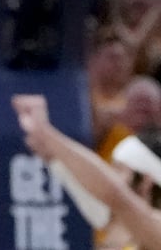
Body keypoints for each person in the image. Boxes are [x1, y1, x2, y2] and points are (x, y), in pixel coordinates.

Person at [13, 94, 161, 248]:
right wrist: (51, 155)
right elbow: (96, 195)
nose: (109, 174)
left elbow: (115, 196)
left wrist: (46, 134)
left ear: (146, 181)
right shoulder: (114, 223)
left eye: (119, 169)